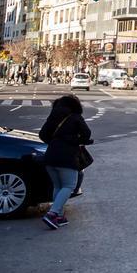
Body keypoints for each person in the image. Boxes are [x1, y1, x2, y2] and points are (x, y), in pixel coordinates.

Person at [38, 94, 92, 230]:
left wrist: (55, 142)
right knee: (69, 186)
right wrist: (74, 140)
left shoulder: (52, 117)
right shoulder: (75, 117)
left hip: (50, 156)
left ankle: (59, 216)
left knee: (57, 186)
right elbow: (87, 134)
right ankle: (52, 213)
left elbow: (42, 135)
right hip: (67, 157)